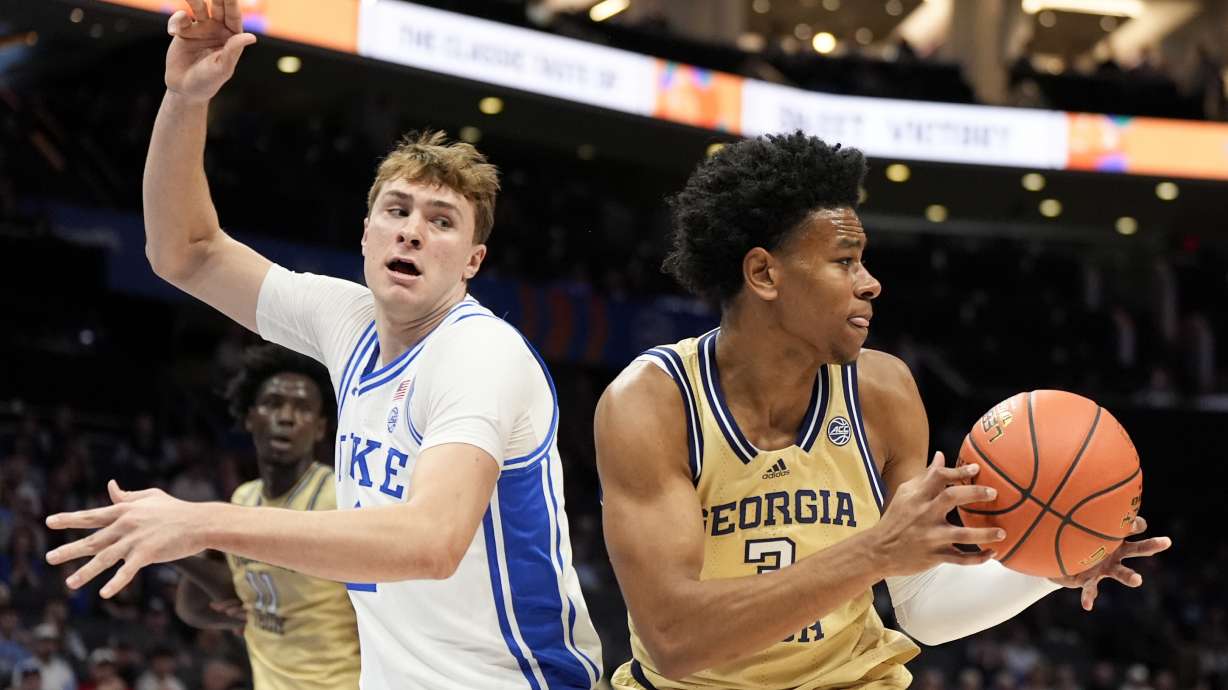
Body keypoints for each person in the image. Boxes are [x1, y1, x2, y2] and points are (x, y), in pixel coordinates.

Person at [43, 1, 601, 688]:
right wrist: (185, 98)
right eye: (396, 211)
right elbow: (184, 253)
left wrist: (204, 523)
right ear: (365, 234)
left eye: (441, 221)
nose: (412, 231)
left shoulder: (479, 354)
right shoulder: (349, 321)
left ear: (472, 262)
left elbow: (429, 542)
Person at [592, 132, 1171, 689]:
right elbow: (674, 639)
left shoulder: (884, 390)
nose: (870, 284)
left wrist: (1049, 566)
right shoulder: (652, 403)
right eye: (844, 262)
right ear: (764, 273)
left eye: (863, 261)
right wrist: (875, 550)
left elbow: (922, 610)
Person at [172, 344, 359, 689]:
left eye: (302, 408)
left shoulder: (341, 498)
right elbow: (194, 608)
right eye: (273, 404)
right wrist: (175, 552)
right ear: (249, 417)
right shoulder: (243, 499)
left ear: (320, 428)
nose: (286, 416)